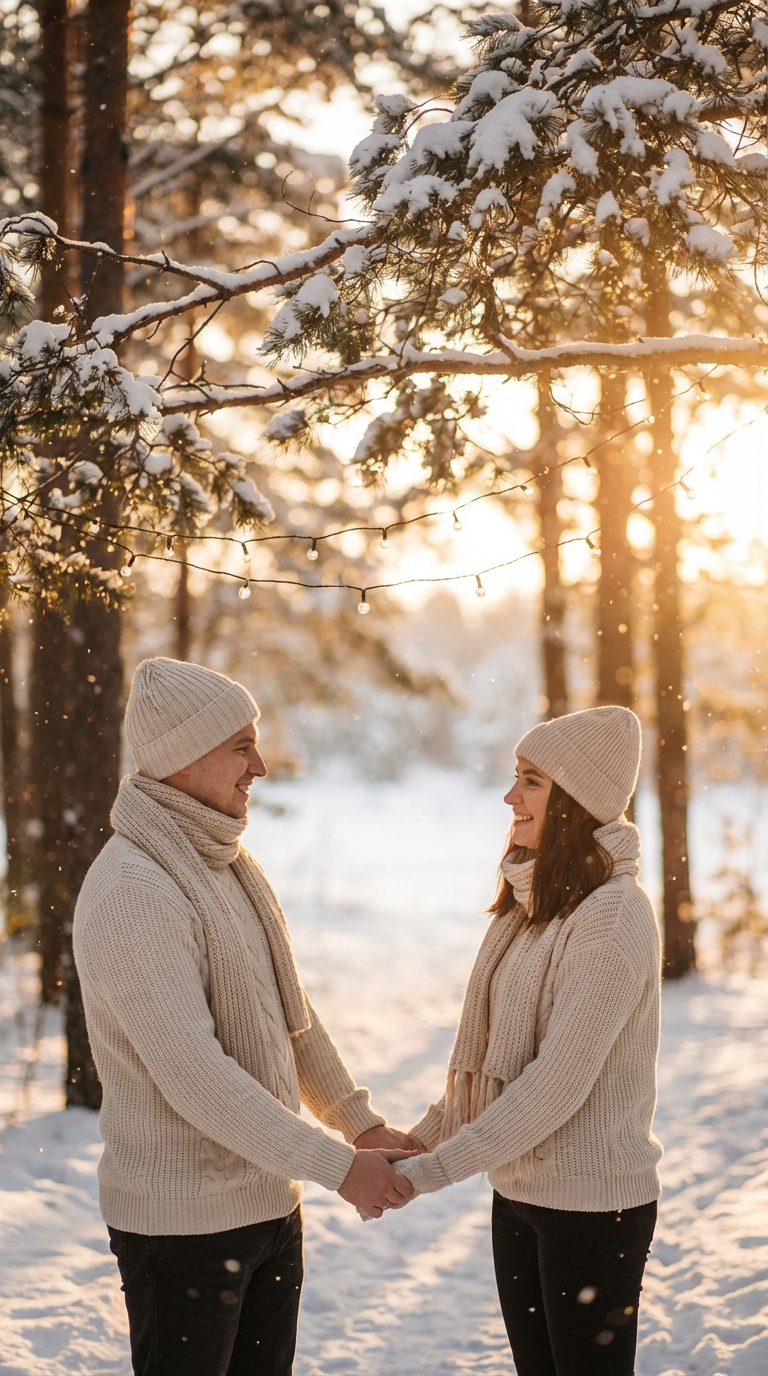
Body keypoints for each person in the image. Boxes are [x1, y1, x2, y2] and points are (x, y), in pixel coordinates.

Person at [74, 657, 417, 1376]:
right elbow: (195, 1077)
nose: (259, 766)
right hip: (184, 1231)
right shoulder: (134, 888)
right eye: (242, 747)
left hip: (267, 1211)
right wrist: (338, 1168)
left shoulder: (225, 862)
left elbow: (288, 1012)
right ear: (183, 756)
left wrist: (357, 1122)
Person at [393, 706, 662, 1376]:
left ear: (574, 800)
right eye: (516, 777)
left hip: (593, 1208)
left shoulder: (611, 917)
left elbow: (554, 1083)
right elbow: (494, 1063)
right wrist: (419, 1141)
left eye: (531, 781)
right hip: (518, 1192)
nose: (510, 797)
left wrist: (433, 1172)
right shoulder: (533, 907)